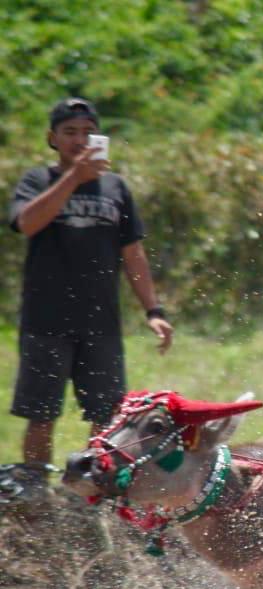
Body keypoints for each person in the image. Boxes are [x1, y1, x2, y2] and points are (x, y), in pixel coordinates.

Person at [7, 97, 174, 499]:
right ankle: (34, 493)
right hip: (45, 321)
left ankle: (90, 493)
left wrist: (153, 310)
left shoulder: (116, 189)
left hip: (101, 324)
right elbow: (27, 223)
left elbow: (133, 253)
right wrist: (74, 179)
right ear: (52, 138)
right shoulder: (37, 181)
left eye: (88, 132)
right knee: (41, 413)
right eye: (70, 132)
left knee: (106, 415)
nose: (80, 140)